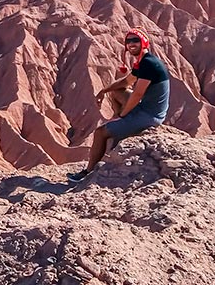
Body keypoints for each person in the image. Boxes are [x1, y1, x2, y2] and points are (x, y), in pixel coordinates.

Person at [67, 28, 170, 182]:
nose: (131, 44)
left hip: (150, 116)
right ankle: (122, 126)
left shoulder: (148, 64)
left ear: (144, 43)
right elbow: (126, 82)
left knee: (100, 132)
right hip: (146, 107)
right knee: (117, 92)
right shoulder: (143, 61)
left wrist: (123, 115)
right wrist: (104, 90)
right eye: (128, 41)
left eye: (135, 40)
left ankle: (87, 172)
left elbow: (137, 94)